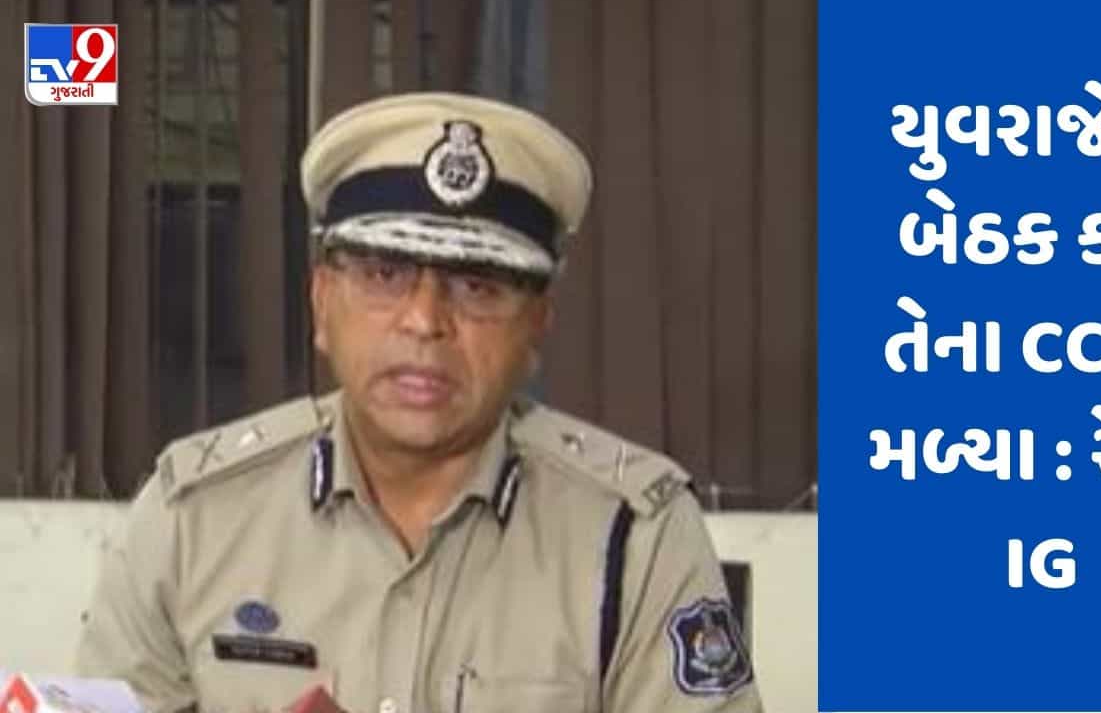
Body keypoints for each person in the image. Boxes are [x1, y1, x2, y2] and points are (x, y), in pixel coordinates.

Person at [75, 92, 763, 713]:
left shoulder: (634, 534)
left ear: (536, 326)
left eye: (477, 287)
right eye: (384, 275)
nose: (425, 321)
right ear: (321, 302)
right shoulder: (193, 518)